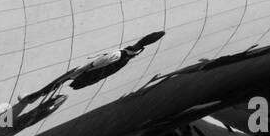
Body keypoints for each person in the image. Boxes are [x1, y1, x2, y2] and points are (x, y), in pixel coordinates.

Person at [18, 31, 165, 106]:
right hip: (88, 77)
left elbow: (94, 64)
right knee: (60, 83)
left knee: (58, 81)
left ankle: (32, 97)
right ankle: (38, 97)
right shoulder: (127, 58)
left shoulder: (117, 54)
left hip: (83, 71)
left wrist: (76, 73)